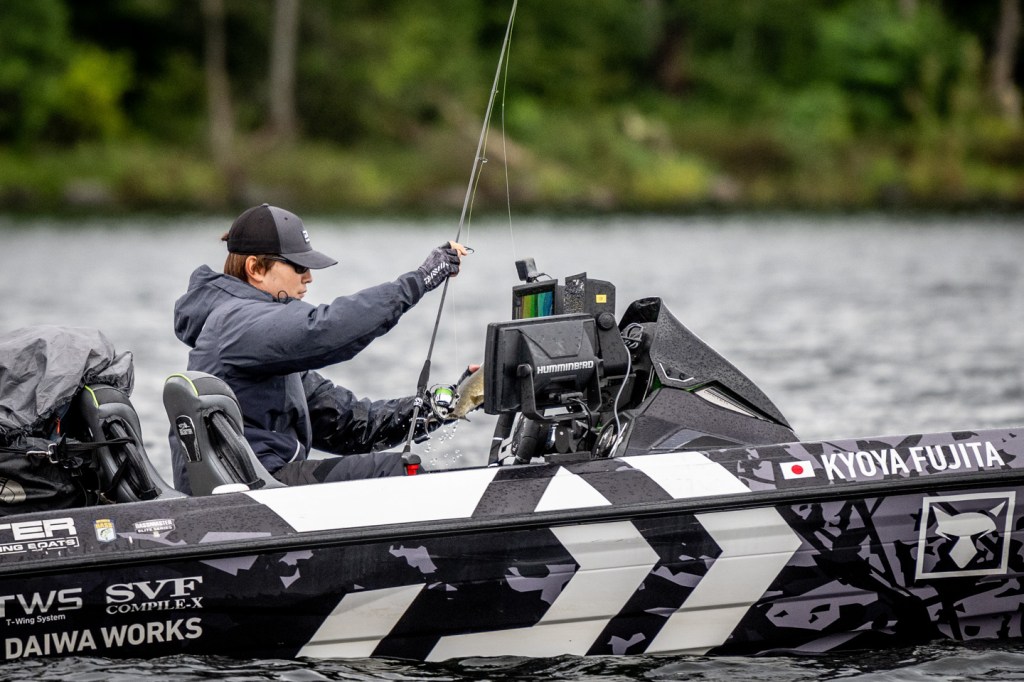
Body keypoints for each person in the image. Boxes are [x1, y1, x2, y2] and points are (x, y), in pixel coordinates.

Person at [170, 203, 468, 493]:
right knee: (398, 472)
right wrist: (419, 280)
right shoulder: (236, 323)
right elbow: (325, 328)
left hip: (261, 483)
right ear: (256, 268)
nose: (309, 277)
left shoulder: (260, 345)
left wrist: (452, 402)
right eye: (299, 266)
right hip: (244, 493)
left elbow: (353, 427)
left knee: (395, 467)